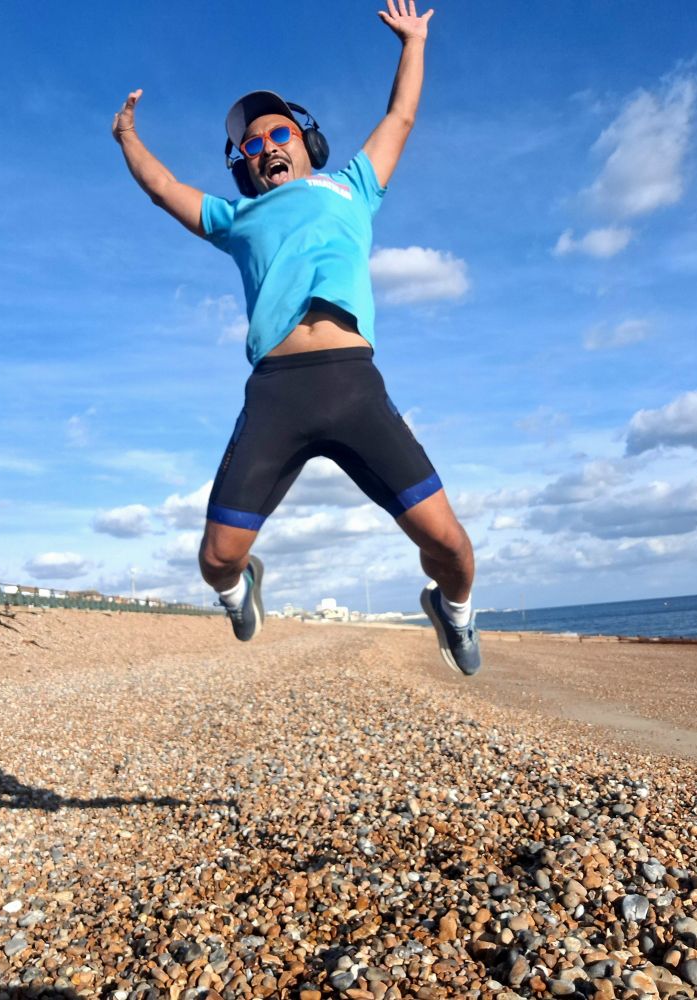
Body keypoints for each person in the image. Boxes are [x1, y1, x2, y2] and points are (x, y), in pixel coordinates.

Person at [112, 0, 480, 675]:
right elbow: (165, 190)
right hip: (277, 395)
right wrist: (127, 138)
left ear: (305, 142)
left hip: (353, 386)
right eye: (250, 146)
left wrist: (413, 42)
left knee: (453, 549)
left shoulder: (352, 187)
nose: (264, 148)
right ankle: (243, 586)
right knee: (214, 559)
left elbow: (400, 116)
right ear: (244, 167)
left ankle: (451, 613)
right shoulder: (234, 217)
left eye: (276, 134)